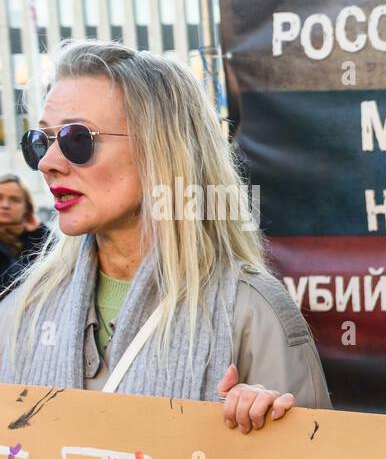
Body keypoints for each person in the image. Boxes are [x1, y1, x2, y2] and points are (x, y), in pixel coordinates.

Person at [0, 40, 330, 430]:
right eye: (40, 142)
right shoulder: (22, 312)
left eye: (76, 139)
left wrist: (262, 428)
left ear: (162, 149)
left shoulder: (249, 311)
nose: (49, 164)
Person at [0, 173, 48, 297]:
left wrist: (38, 232)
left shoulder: (33, 237)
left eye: (14, 200)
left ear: (27, 207)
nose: (5, 205)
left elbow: (58, 267)